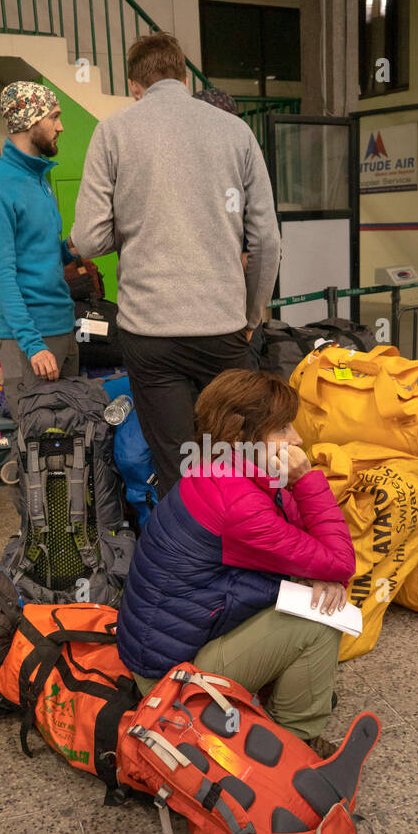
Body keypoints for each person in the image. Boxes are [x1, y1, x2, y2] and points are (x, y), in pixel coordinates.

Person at [71, 33, 282, 498]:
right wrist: (252, 315)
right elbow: (266, 239)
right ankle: (241, 558)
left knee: (175, 465)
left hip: (150, 333)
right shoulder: (235, 132)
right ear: (183, 77)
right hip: (222, 327)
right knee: (235, 459)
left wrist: (134, 228)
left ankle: (180, 562)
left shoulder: (114, 132)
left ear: (134, 85)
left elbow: (87, 238)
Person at [116, 368, 355, 744]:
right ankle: (295, 743)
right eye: (283, 430)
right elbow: (341, 560)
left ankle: (290, 695)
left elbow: (312, 544)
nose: (298, 439)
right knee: (321, 618)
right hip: (171, 681)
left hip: (171, 644)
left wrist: (320, 570)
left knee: (312, 589)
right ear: (242, 437)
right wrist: (307, 478)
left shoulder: (221, 469)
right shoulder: (239, 504)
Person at [0, 82, 79, 417]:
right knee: (41, 452)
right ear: (31, 119)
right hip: (31, 339)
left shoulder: (39, 179)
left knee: (77, 439)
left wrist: (72, 248)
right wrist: (32, 345)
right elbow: (1, 275)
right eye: (54, 117)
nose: (60, 126)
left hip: (63, 326)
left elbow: (41, 255)